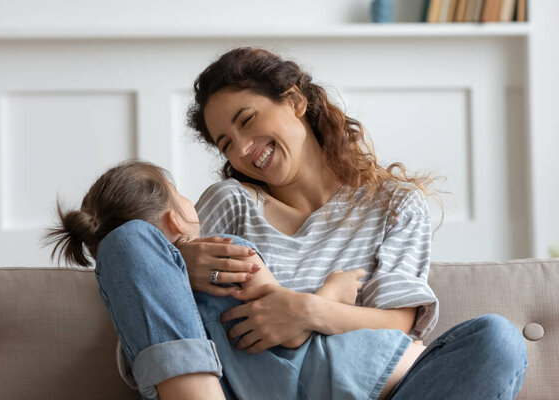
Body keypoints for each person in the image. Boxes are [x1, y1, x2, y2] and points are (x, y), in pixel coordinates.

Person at [180, 47, 527, 399]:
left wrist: (308, 310)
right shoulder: (231, 202)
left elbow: (398, 322)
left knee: (498, 340)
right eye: (226, 144)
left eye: (248, 120)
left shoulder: (395, 205)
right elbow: (173, 307)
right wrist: (180, 261)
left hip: (388, 390)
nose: (242, 149)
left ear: (294, 100)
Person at [45, 160, 412, 400]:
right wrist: (332, 291)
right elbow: (293, 332)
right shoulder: (232, 254)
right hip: (353, 375)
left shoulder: (143, 319)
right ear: (176, 219)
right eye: (183, 196)